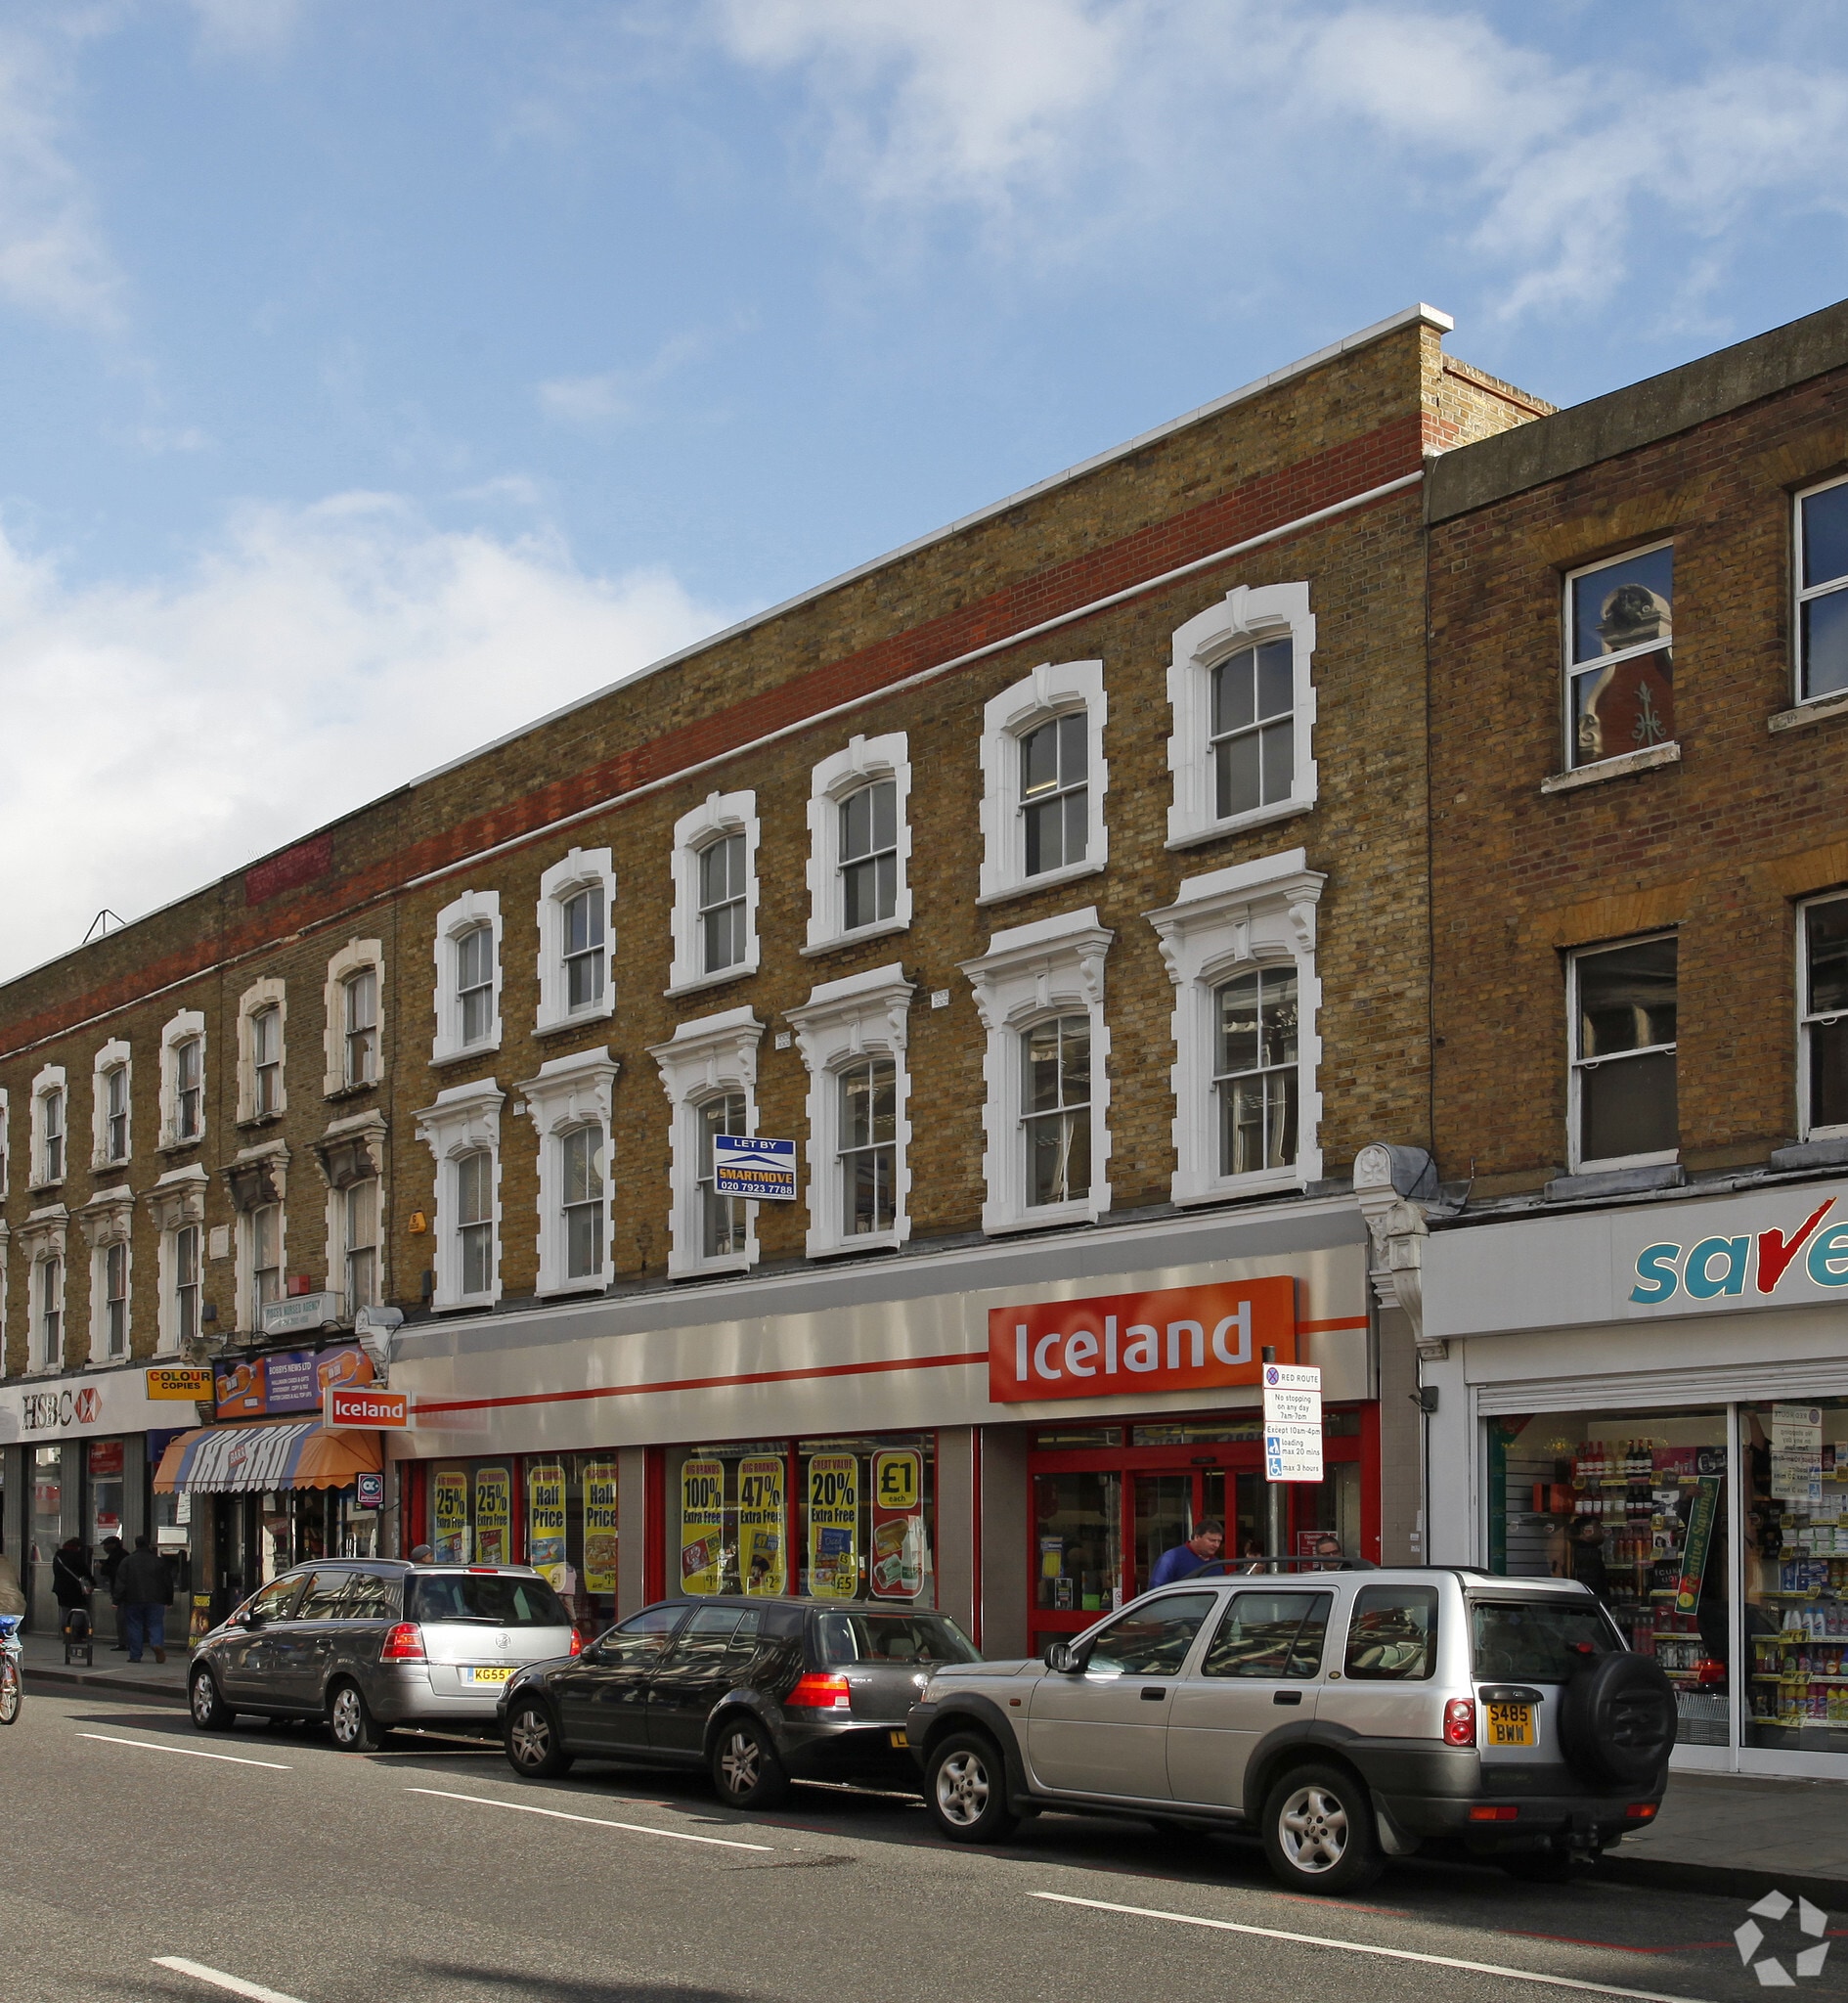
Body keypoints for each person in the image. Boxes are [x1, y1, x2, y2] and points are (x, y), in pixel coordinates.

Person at [114, 1536, 172, 1666]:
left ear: (136, 1545)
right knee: (156, 1624)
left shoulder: (127, 1561)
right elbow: (168, 1582)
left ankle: (135, 1655)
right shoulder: (159, 1561)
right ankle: (156, 1644)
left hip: (133, 1599)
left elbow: (121, 1582)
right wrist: (169, 1600)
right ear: (149, 1545)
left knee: (135, 1626)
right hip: (156, 1599)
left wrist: (116, 1600)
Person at [1148, 1518, 1223, 1587]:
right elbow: (1156, 1589)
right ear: (1197, 1537)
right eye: (1212, 1540)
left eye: (1219, 1541)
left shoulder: (1216, 1564)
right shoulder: (1171, 1559)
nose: (1216, 1545)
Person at [52, 1537, 93, 1638]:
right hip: (74, 1588)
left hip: (60, 1588)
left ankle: (66, 1632)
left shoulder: (58, 1556)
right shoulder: (75, 1556)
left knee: (65, 1610)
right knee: (79, 1610)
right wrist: (92, 1582)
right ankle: (74, 1633)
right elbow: (84, 1571)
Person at [1566, 1517, 1610, 1603]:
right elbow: (1592, 1584)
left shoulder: (1577, 1549)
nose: (1602, 1531)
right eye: (1598, 1527)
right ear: (1586, 1531)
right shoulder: (1588, 1553)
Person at [100, 1536, 128, 1650]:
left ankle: (124, 1642)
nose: (104, 1548)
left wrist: (102, 1567)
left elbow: (112, 1572)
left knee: (122, 1618)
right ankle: (126, 1642)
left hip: (121, 1592)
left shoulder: (116, 1556)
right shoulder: (124, 1555)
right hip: (124, 1592)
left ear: (113, 1545)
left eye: (106, 1545)